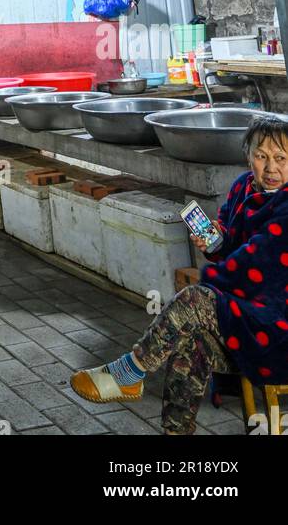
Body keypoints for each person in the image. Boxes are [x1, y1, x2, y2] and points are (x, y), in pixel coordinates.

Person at [69, 112, 288, 434]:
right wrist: (214, 241)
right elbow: (229, 243)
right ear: (248, 156)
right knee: (190, 343)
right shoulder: (243, 186)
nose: (271, 168)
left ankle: (129, 373)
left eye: (282, 158)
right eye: (261, 156)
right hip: (244, 313)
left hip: (276, 323)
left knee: (195, 300)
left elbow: (254, 263)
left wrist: (211, 286)